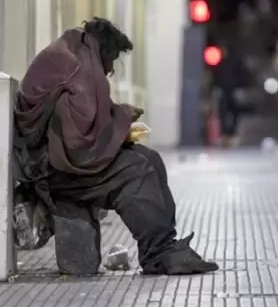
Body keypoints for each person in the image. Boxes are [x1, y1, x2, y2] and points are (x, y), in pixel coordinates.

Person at [13, 18, 218, 275]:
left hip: (47, 158)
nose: (110, 70)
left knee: (151, 158)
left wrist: (116, 119)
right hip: (50, 169)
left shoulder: (72, 50)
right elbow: (80, 142)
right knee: (136, 171)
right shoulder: (82, 67)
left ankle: (165, 245)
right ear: (106, 52)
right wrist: (121, 116)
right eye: (112, 62)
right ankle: (158, 254)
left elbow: (78, 123)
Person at [214, 44, 251, 148]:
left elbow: (243, 75)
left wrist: (240, 87)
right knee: (223, 113)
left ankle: (231, 134)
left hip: (233, 90)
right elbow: (217, 76)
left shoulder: (235, 62)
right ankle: (225, 134)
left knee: (234, 113)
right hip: (224, 90)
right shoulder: (221, 63)